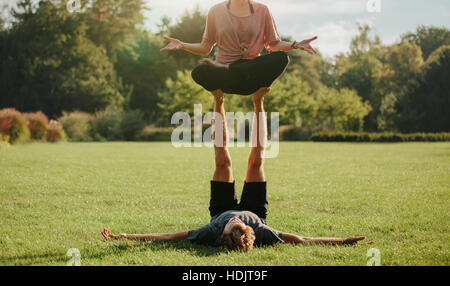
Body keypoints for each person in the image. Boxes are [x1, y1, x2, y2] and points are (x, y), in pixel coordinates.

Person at [102, 89, 368, 251]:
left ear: (222, 235)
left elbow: (169, 237)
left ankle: (218, 100)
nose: (233, 222)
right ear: (247, 230)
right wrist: (343, 240)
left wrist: (123, 236)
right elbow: (301, 239)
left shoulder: (212, 231)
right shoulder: (260, 231)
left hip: (220, 206)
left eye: (230, 227)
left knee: (222, 160)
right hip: (255, 208)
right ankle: (258, 102)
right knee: (256, 159)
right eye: (236, 225)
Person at [160, 0, 319, 96]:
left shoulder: (262, 10)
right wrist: (182, 45)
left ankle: (231, 69)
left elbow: (273, 44)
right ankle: (228, 69)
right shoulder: (216, 11)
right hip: (226, 78)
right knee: (198, 72)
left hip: (251, 75)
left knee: (281, 58)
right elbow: (205, 47)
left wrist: (295, 45)